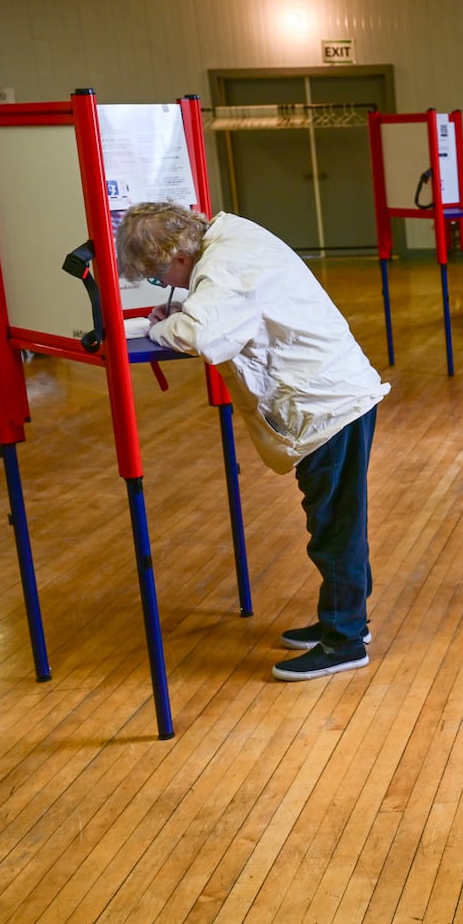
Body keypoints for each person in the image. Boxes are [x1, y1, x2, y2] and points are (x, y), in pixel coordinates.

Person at [115, 201, 389, 682]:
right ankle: (344, 620)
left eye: (161, 276)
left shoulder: (226, 262)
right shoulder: (228, 240)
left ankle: (344, 641)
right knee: (336, 519)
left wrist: (160, 324)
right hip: (330, 399)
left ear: (178, 253)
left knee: (335, 527)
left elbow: (202, 333)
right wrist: (174, 307)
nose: (168, 284)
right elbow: (219, 303)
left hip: (325, 406)